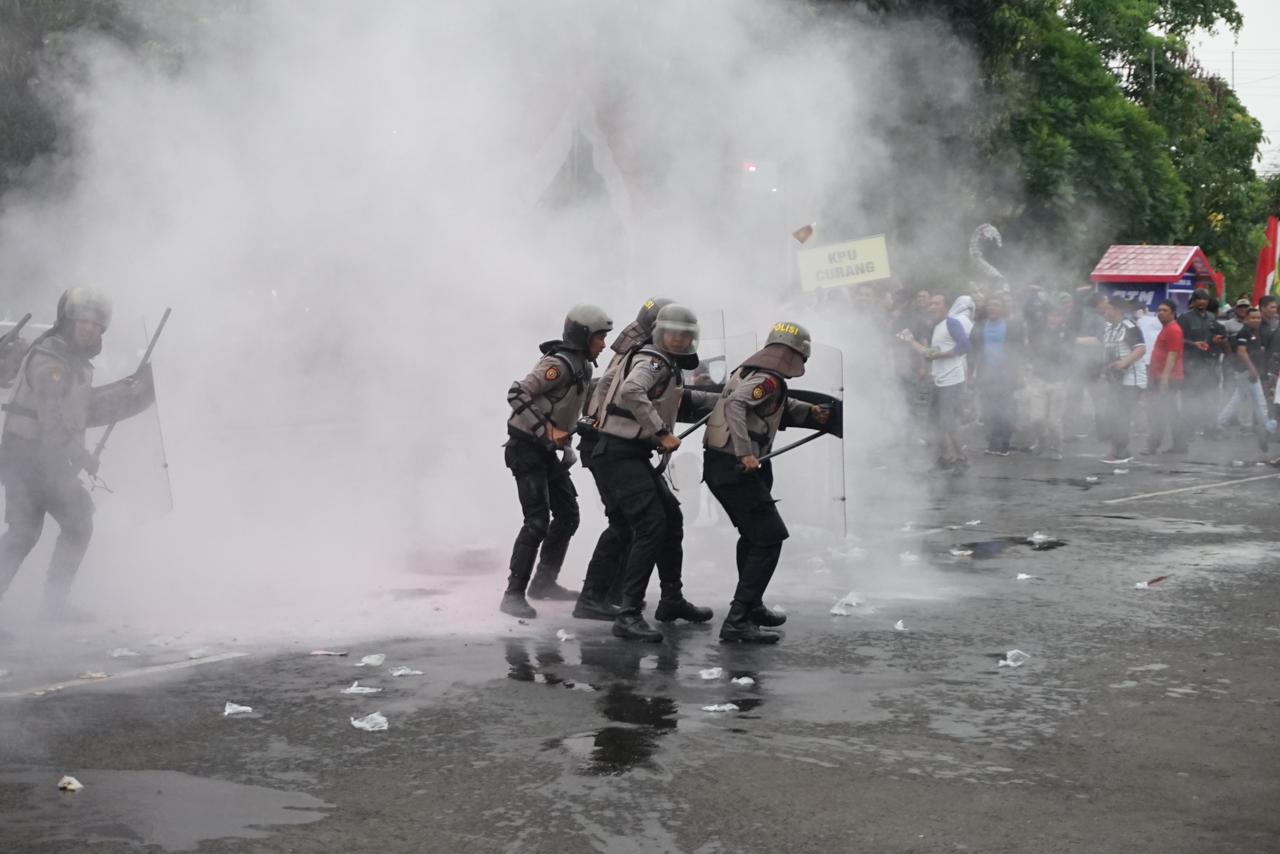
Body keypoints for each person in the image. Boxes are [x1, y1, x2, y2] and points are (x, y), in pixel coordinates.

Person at [0, 288, 155, 628]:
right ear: (69, 321)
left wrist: (128, 395)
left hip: (45, 459)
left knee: (74, 521)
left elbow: (79, 411)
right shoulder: (51, 360)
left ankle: (54, 605)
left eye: (97, 324)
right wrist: (81, 456)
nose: (90, 329)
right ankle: (50, 606)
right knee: (26, 531)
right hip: (25, 456)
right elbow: (51, 421)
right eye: (83, 321)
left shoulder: (73, 361)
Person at [589, 304, 717, 642]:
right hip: (618, 453)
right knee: (650, 525)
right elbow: (632, 390)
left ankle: (671, 599)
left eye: (684, 334)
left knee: (671, 518)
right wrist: (662, 432)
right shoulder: (654, 360)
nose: (678, 338)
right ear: (660, 332)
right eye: (672, 332)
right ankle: (629, 614)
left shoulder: (661, 361)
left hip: (628, 452)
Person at [702, 322, 833, 644]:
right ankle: (738, 619)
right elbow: (736, 405)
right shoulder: (768, 378)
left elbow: (774, 406)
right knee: (769, 538)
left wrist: (809, 412)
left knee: (752, 535)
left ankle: (752, 606)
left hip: (724, 465)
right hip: (736, 468)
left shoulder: (752, 373)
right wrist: (745, 452)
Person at [500, 304, 613, 619]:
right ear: (582, 336)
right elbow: (517, 393)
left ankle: (544, 583)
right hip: (526, 449)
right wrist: (547, 430)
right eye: (599, 337)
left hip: (546, 452)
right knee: (536, 521)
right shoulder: (558, 365)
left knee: (568, 515)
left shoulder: (584, 367)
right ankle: (513, 594)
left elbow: (572, 407)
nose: (603, 344)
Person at [573, 297, 672, 621]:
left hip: (606, 442)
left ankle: (609, 595)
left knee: (629, 524)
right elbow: (629, 394)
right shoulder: (642, 355)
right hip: (608, 444)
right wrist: (659, 430)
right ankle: (595, 598)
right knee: (625, 524)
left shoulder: (630, 350)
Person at [907, 295, 973, 470]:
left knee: (947, 421)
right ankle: (945, 455)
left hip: (952, 381)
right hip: (939, 380)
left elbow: (965, 346)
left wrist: (940, 356)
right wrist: (911, 341)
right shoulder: (935, 327)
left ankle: (961, 457)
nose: (932, 306)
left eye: (937, 303)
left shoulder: (951, 323)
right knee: (935, 420)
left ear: (946, 307)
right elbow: (930, 354)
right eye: (931, 304)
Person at [968, 294, 1024, 455]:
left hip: (1006, 374)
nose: (992, 308)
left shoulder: (1012, 326)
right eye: (990, 305)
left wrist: (1020, 374)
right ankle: (992, 443)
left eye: (996, 305)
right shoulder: (979, 326)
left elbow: (1019, 352)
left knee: (1004, 409)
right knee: (988, 410)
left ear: (1003, 309)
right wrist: (970, 375)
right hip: (986, 374)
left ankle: (1004, 442)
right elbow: (971, 353)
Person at [1216, 307, 1274, 452]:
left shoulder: (1256, 332)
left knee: (1238, 399)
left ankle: (1219, 423)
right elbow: (1241, 352)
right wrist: (1252, 369)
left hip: (1247, 372)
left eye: (1258, 318)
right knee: (1260, 401)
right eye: (1253, 318)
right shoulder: (1245, 332)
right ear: (1246, 319)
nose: (1256, 320)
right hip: (1246, 372)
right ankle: (1265, 429)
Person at [1098, 295, 1146, 464]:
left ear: (1116, 310)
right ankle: (1118, 448)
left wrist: (1124, 362)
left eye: (1108, 308)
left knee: (1121, 414)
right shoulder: (1110, 328)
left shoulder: (1129, 327)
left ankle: (1121, 452)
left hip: (1131, 380)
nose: (1105, 311)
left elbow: (1140, 349)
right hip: (1116, 380)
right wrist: (1106, 373)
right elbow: (1107, 353)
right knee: (1114, 413)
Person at [1026, 301, 1073, 460]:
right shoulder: (1038, 331)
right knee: (1036, 418)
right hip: (1039, 379)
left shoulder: (1067, 334)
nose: (1053, 318)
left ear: (1063, 318)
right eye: (1051, 315)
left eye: (1057, 315)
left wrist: (1067, 376)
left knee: (1054, 421)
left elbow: (1071, 357)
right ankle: (1041, 439)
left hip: (1058, 381)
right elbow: (1030, 350)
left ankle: (1057, 448)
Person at [1178, 288, 1226, 440]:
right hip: (1191, 365)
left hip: (1209, 364)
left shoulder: (1211, 317)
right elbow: (1179, 340)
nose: (1202, 302)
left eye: (1205, 299)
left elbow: (1215, 336)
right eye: (1198, 299)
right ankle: (1188, 431)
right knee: (1190, 399)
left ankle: (1210, 430)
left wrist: (1216, 340)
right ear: (1193, 301)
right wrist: (1193, 344)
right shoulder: (1184, 318)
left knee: (1210, 398)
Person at [1145, 299, 1187, 455]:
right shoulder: (1167, 328)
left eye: (1165, 310)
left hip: (1169, 378)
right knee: (1169, 412)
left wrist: (1164, 378)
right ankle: (1178, 445)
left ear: (1173, 312)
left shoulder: (1173, 330)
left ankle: (1154, 445)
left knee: (1162, 412)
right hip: (1163, 376)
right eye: (1159, 310)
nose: (1161, 313)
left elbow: (1172, 354)